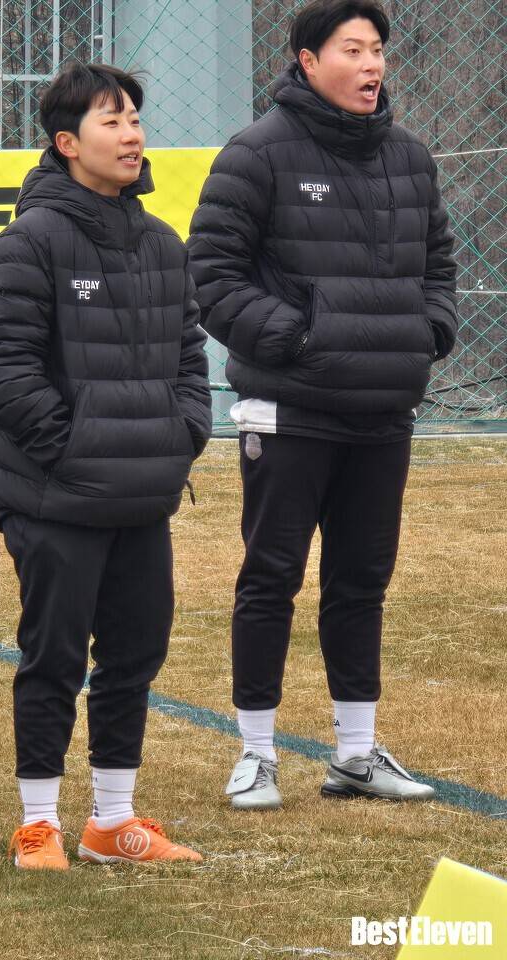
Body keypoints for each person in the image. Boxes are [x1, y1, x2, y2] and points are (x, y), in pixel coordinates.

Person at [188, 0, 457, 809]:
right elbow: (212, 275)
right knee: (271, 578)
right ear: (308, 61)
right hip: (290, 408)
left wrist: (427, 333)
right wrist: (297, 340)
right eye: (353, 49)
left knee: (361, 582)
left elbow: (439, 264)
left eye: (377, 50)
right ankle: (257, 755)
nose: (372, 65)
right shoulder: (257, 153)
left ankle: (356, 754)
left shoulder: (409, 158)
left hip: (383, 411)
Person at [0, 63, 211, 870]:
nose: (132, 134)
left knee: (135, 656)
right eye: (113, 121)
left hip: (142, 493)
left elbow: (189, 358)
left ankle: (113, 822)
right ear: (68, 142)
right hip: (54, 495)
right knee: (54, 657)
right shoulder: (31, 240)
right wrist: (72, 447)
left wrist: (182, 433)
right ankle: (38, 823)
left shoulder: (162, 243)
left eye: (135, 118)